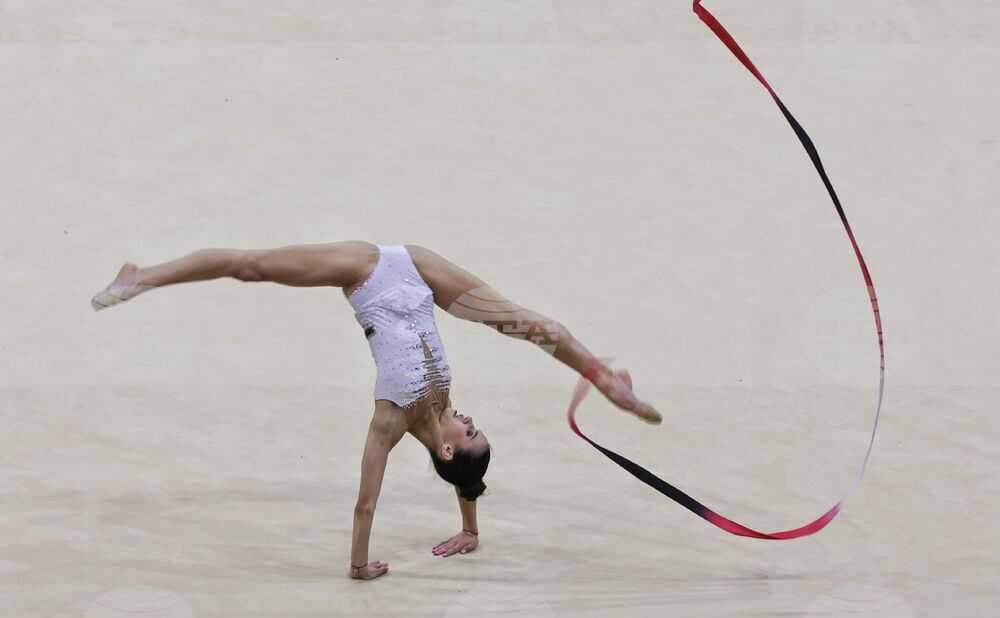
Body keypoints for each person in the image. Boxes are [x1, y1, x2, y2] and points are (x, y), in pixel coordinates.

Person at [91, 241, 661, 580]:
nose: (468, 418)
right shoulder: (440, 416)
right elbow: (466, 477)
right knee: (525, 322)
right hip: (425, 275)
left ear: (444, 447)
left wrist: (359, 567)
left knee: (251, 266)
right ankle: (603, 378)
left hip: (366, 273)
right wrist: (471, 530)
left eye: (470, 430)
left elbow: (367, 502)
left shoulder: (390, 421)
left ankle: (144, 279)